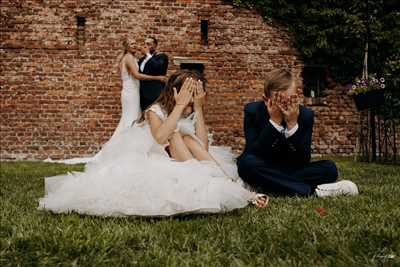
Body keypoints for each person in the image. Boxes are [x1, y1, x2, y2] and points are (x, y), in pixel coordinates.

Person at [38, 70, 268, 217]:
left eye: (195, 94)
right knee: (176, 134)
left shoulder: (191, 110)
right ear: (175, 92)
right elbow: (160, 138)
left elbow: (203, 148)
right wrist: (179, 107)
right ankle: (231, 187)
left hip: (183, 156)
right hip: (154, 157)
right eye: (189, 93)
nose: (191, 99)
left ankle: (228, 185)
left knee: (187, 137)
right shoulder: (154, 110)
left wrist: (197, 108)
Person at [237, 69, 358, 197]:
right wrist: (274, 123)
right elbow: (253, 153)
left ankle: (267, 186)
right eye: (279, 101)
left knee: (329, 168)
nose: (285, 107)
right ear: (266, 99)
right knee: (246, 164)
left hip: (290, 169)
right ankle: (313, 192)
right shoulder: (253, 111)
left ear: (296, 96)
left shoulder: (305, 115)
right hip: (263, 166)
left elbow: (303, 160)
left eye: (289, 101)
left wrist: (292, 125)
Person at [44, 38, 166, 164]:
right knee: (130, 119)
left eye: (135, 43)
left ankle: (128, 150)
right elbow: (137, 75)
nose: (135, 45)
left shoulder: (132, 58)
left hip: (133, 92)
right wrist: (157, 78)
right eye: (131, 44)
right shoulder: (128, 58)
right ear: (126, 47)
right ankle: (121, 151)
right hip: (131, 93)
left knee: (133, 118)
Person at [138, 37, 169, 111]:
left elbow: (158, 67)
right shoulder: (142, 59)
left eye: (148, 44)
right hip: (142, 93)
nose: (145, 46)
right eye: (144, 44)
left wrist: (148, 54)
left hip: (155, 93)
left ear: (155, 46)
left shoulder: (161, 56)